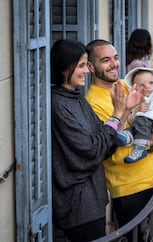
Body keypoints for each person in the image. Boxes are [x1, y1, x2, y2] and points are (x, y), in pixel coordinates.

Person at [85, 39, 153, 231]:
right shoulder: (93, 103)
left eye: (115, 58)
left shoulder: (125, 86)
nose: (114, 64)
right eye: (105, 60)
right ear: (91, 67)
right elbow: (118, 155)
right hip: (131, 190)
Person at [50, 39, 141, 241]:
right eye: (81, 66)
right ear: (65, 68)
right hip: (78, 205)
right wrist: (118, 113)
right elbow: (90, 150)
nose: (87, 71)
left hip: (94, 200)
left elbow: (106, 141)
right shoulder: (58, 105)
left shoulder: (76, 98)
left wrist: (123, 112)